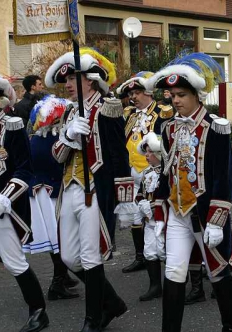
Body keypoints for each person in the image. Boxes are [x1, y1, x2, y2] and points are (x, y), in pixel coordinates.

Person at [145, 52, 232, 332]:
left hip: (204, 213)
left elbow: (224, 178)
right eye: (172, 94)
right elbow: (166, 172)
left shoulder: (216, 127)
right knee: (174, 272)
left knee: (218, 270)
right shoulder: (167, 127)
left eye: (181, 94)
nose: (175, 100)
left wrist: (216, 219)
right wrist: (160, 213)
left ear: (197, 95)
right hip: (177, 211)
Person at [45, 47, 133, 331]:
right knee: (70, 256)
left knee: (91, 256)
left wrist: (125, 199)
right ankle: (113, 303)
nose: (68, 84)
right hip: (69, 188)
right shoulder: (69, 112)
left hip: (95, 190)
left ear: (90, 79)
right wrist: (69, 136)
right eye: (66, 79)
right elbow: (57, 155)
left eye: (73, 77)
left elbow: (120, 157)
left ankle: (93, 319)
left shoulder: (108, 108)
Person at [0, 73, 49, 331]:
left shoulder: (11, 125)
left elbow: (25, 170)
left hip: (1, 203)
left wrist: (5, 197)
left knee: (14, 261)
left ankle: (38, 311)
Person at [117, 71, 174, 274]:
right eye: (131, 94)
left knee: (156, 213)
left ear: (148, 92)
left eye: (137, 92)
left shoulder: (163, 111)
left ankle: (165, 253)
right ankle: (141, 256)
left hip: (154, 170)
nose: (133, 97)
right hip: (133, 170)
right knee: (135, 216)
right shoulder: (129, 114)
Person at [24, 95, 79, 300]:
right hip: (51, 194)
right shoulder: (54, 139)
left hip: (42, 193)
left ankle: (63, 276)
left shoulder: (37, 137)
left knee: (57, 240)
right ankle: (57, 284)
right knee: (60, 240)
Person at [134, 132, 165, 301]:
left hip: (163, 219)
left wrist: (152, 206)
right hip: (149, 220)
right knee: (149, 251)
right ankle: (155, 286)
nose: (146, 155)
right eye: (145, 152)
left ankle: (175, 285)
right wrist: (141, 203)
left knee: (166, 251)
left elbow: (167, 197)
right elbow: (140, 194)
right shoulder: (146, 173)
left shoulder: (166, 173)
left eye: (149, 152)